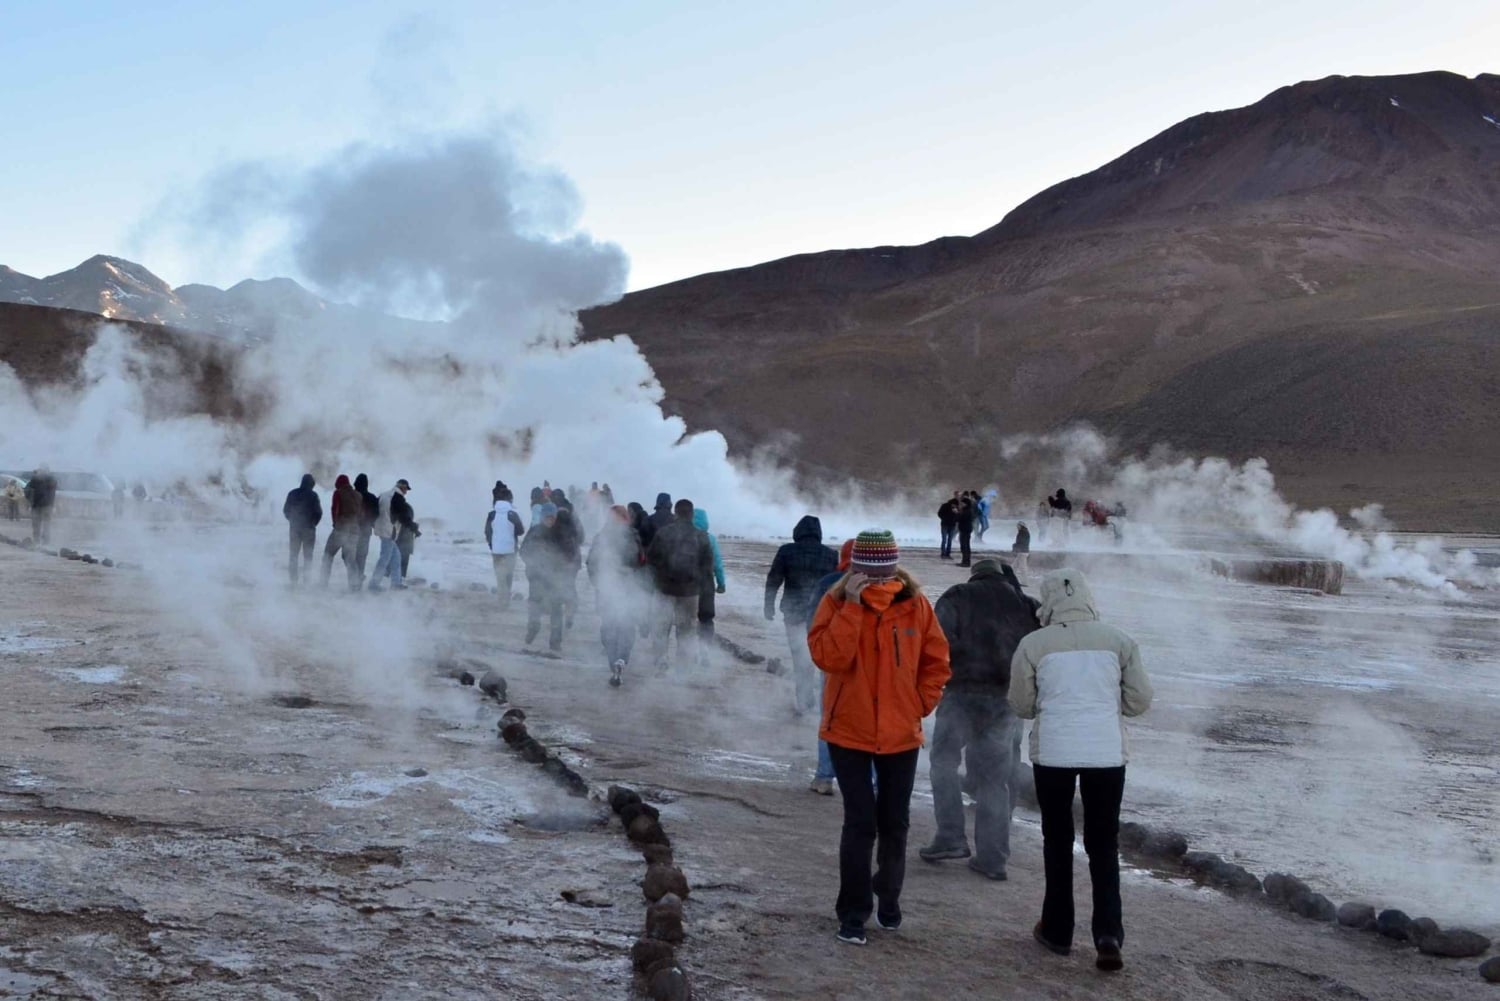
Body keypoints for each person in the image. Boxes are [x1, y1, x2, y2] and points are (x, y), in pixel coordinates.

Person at [808, 530, 951, 946]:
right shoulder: (835, 602)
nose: (877, 580)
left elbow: (937, 661)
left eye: (882, 572)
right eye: (867, 574)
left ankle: (888, 898)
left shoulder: (915, 605)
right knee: (860, 823)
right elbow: (828, 658)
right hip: (848, 731)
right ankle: (853, 913)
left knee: (895, 822)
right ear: (855, 572)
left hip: (900, 732)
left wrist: (917, 704)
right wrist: (852, 607)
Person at [1010, 568, 1153, 972]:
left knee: (1057, 840)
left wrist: (1050, 708)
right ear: (1088, 597)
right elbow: (1140, 700)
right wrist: (1108, 708)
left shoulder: (1034, 644)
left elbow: (1021, 703)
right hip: (1106, 755)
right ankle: (1108, 934)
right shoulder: (1119, 640)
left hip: (1053, 753)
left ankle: (1057, 930)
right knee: (1104, 843)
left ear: (1047, 601)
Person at [921, 559, 1039, 880]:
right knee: (995, 777)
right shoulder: (1028, 605)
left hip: (961, 692)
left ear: (975, 575)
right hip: (1005, 700)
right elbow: (1039, 651)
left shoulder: (958, 596)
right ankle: (993, 858)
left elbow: (935, 642)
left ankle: (950, 836)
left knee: (944, 761)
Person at [764, 516, 839, 718]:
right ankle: (825, 706)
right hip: (822, 616)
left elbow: (773, 580)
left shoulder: (786, 551)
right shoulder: (831, 555)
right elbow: (836, 588)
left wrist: (768, 606)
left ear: (797, 532)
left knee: (801, 659)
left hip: (793, 613)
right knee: (823, 659)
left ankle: (805, 705)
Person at [800, 537, 855, 794]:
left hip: (833, 664)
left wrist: (821, 653)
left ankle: (824, 777)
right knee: (872, 723)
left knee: (831, 718)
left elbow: (813, 623)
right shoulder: (890, 587)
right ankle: (875, 782)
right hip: (872, 666)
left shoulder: (828, 584)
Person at [646, 498, 713, 671]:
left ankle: (660, 660)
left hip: (664, 589)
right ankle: (682, 668)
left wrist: (656, 580)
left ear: (675, 513)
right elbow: (707, 567)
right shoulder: (701, 536)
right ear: (691, 514)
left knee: (661, 626)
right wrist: (704, 589)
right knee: (686, 630)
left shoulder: (663, 532)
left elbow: (651, 559)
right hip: (689, 592)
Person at [587, 505, 647, 687]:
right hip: (628, 587)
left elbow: (591, 562)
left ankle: (613, 662)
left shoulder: (601, 537)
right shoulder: (633, 536)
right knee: (627, 626)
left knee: (608, 627)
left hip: (607, 587)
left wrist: (597, 582)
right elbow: (641, 561)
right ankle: (622, 659)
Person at [521, 502, 579, 651]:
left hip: (556, 578)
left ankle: (555, 642)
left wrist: (563, 567)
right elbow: (524, 551)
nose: (550, 520)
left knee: (556, 609)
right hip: (537, 577)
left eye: (552, 517)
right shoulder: (535, 531)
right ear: (542, 517)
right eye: (547, 517)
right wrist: (534, 563)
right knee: (534, 604)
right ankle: (533, 628)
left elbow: (570, 554)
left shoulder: (562, 532)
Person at [692, 508, 727, 656]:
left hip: (688, 584)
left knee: (688, 617)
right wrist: (721, 583)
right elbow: (717, 564)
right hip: (707, 583)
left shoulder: (686, 536)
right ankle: (704, 646)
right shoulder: (711, 539)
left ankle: (689, 649)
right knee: (706, 617)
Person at [368, 479, 413, 592]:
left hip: (382, 528)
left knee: (396, 556)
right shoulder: (398, 498)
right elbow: (403, 517)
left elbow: (374, 510)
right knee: (385, 558)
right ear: (402, 487)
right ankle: (374, 583)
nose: (406, 492)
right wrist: (414, 527)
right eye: (406, 489)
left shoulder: (384, 495)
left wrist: (374, 524)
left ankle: (396, 583)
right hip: (389, 530)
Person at [485, 484, 526, 604]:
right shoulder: (512, 514)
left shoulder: (492, 514)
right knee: (509, 574)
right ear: (510, 499)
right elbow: (521, 531)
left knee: (499, 574)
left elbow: (487, 531)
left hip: (496, 550)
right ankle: (506, 598)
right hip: (510, 550)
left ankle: (500, 597)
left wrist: (491, 544)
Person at [321, 474, 361, 589]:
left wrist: (335, 523)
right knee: (350, 559)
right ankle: (354, 585)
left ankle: (323, 583)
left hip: (341, 529)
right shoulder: (358, 495)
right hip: (355, 530)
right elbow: (360, 514)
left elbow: (335, 509)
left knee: (328, 555)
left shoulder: (338, 493)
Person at [281, 474, 321, 584]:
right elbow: (318, 512)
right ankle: (306, 580)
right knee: (308, 556)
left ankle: (293, 580)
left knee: (293, 555)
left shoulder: (292, 493)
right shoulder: (313, 495)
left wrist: (292, 520)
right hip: (309, 529)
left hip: (295, 528)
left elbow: (286, 510)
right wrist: (313, 524)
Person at [353, 474, 379, 584]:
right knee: (362, 556)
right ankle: (359, 576)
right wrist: (371, 522)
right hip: (366, 529)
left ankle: (354, 576)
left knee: (350, 555)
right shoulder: (372, 497)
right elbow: (376, 513)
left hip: (352, 529)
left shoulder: (352, 495)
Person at [956, 492, 976, 568]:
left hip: (965, 529)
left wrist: (957, 513)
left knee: (964, 546)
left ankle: (966, 562)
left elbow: (960, 519)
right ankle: (965, 561)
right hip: (966, 529)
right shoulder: (968, 510)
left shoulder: (966, 511)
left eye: (963, 503)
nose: (961, 504)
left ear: (966, 504)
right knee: (965, 546)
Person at [937, 494, 959, 560]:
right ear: (952, 503)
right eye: (954, 505)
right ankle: (943, 553)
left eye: (956, 506)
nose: (955, 506)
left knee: (950, 540)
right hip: (945, 524)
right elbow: (939, 513)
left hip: (952, 525)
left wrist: (957, 514)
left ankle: (948, 553)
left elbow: (958, 516)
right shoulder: (945, 506)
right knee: (944, 539)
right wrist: (944, 518)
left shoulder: (956, 508)